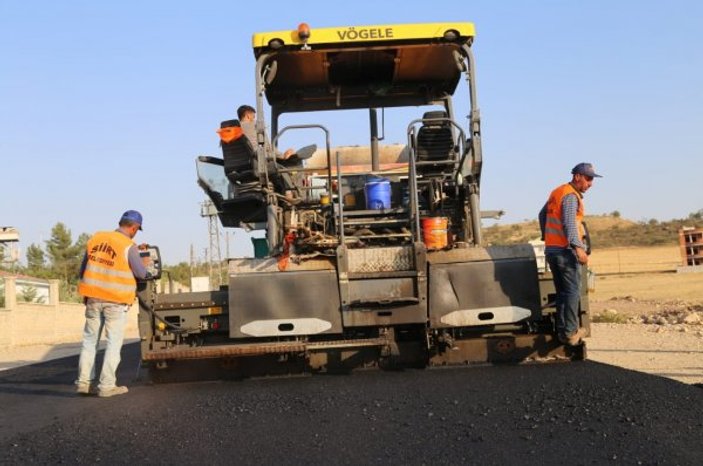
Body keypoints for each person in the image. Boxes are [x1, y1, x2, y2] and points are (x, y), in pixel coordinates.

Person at [75, 210, 150, 397]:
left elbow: (83, 270)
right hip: (115, 302)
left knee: (89, 342)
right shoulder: (128, 246)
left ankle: (83, 383)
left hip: (92, 299)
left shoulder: (96, 238)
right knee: (113, 343)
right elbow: (141, 273)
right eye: (136, 230)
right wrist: (144, 261)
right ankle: (107, 386)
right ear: (133, 227)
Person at [539, 163, 602, 346]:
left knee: (563, 293)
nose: (591, 184)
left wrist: (548, 237)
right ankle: (570, 332)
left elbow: (542, 215)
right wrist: (578, 248)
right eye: (588, 179)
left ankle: (562, 330)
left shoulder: (557, 192)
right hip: (565, 252)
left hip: (552, 250)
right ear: (578, 177)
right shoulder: (570, 196)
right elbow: (569, 223)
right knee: (572, 291)